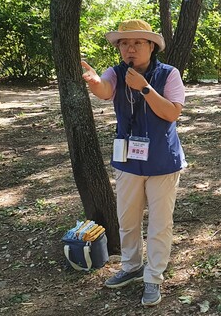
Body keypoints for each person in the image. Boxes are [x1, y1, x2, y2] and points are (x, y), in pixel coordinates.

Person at [81, 19, 186, 307]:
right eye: (124, 43)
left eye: (137, 42)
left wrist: (145, 88)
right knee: (127, 220)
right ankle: (131, 267)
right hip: (127, 159)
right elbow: (105, 90)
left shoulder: (169, 74)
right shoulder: (116, 73)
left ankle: (153, 277)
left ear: (151, 46)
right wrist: (94, 82)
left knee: (159, 223)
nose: (130, 48)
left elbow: (172, 113)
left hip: (162, 160)